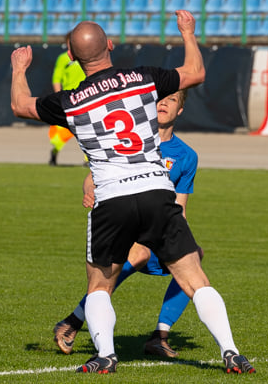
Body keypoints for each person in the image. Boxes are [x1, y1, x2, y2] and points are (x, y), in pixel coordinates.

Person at [10, 12, 254, 375]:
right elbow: (196, 73)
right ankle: (231, 351)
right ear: (111, 45)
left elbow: (21, 105)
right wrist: (188, 33)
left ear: (72, 58)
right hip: (156, 188)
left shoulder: (70, 101)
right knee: (194, 278)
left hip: (111, 197)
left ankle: (105, 355)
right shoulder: (143, 78)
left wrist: (19, 68)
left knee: (99, 286)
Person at [53, 89, 200, 359]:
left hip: (158, 226)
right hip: (124, 223)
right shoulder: (134, 140)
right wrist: (89, 190)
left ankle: (159, 336)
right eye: (160, 99)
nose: (164, 103)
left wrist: (182, 238)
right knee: (138, 254)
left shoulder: (187, 156)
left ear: (180, 110)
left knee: (195, 256)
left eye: (172, 100)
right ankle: (74, 320)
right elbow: (94, 175)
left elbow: (180, 206)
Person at [48, 42, 86, 166]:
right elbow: (56, 78)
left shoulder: (87, 57)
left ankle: (88, 160)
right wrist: (58, 98)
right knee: (63, 131)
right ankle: (55, 152)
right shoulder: (63, 58)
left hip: (86, 98)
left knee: (87, 130)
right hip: (69, 99)